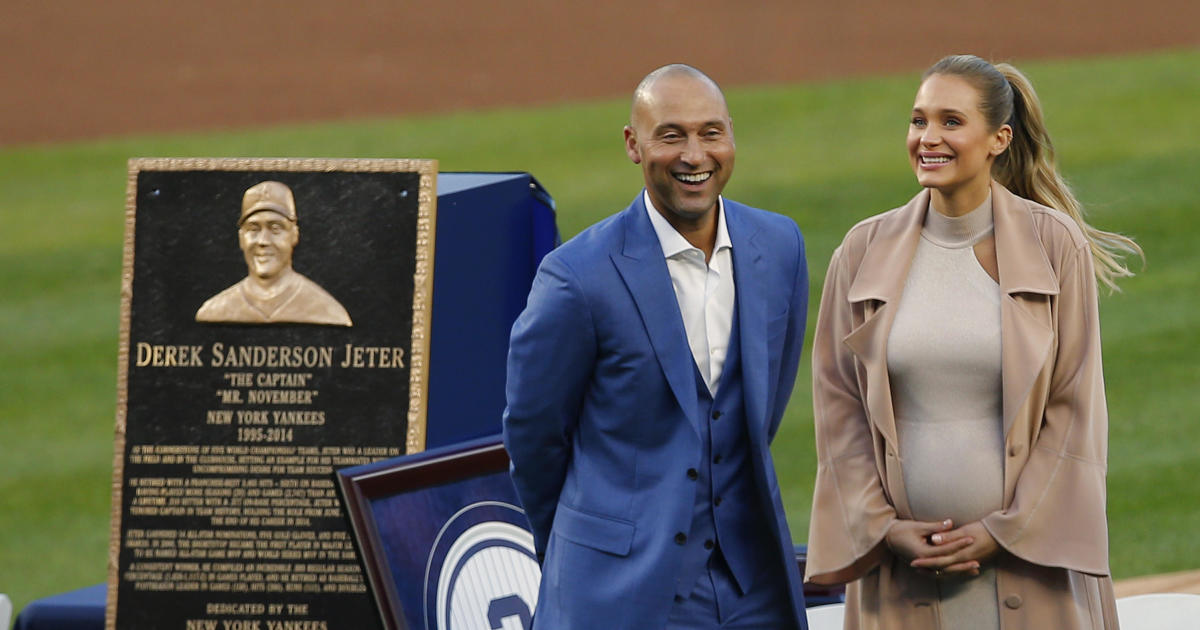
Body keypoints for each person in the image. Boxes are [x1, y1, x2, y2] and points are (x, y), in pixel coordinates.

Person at [804, 54, 1142, 629]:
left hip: (1034, 572)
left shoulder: (1055, 246)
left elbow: (1074, 409)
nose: (928, 138)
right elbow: (839, 411)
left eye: (951, 122)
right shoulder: (861, 251)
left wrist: (1004, 531)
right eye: (918, 121)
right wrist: (882, 527)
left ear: (998, 138)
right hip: (902, 578)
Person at [502, 64, 810, 630]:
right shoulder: (576, 277)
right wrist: (586, 549)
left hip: (754, 590)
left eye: (711, 132)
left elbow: (763, 405)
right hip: (619, 595)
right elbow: (534, 435)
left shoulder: (780, 246)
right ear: (634, 145)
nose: (695, 154)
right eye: (671, 135)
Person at [196, 180, 352, 326]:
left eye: (275, 228)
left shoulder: (326, 311)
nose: (263, 241)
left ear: (294, 235)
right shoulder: (216, 309)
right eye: (254, 229)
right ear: (241, 238)